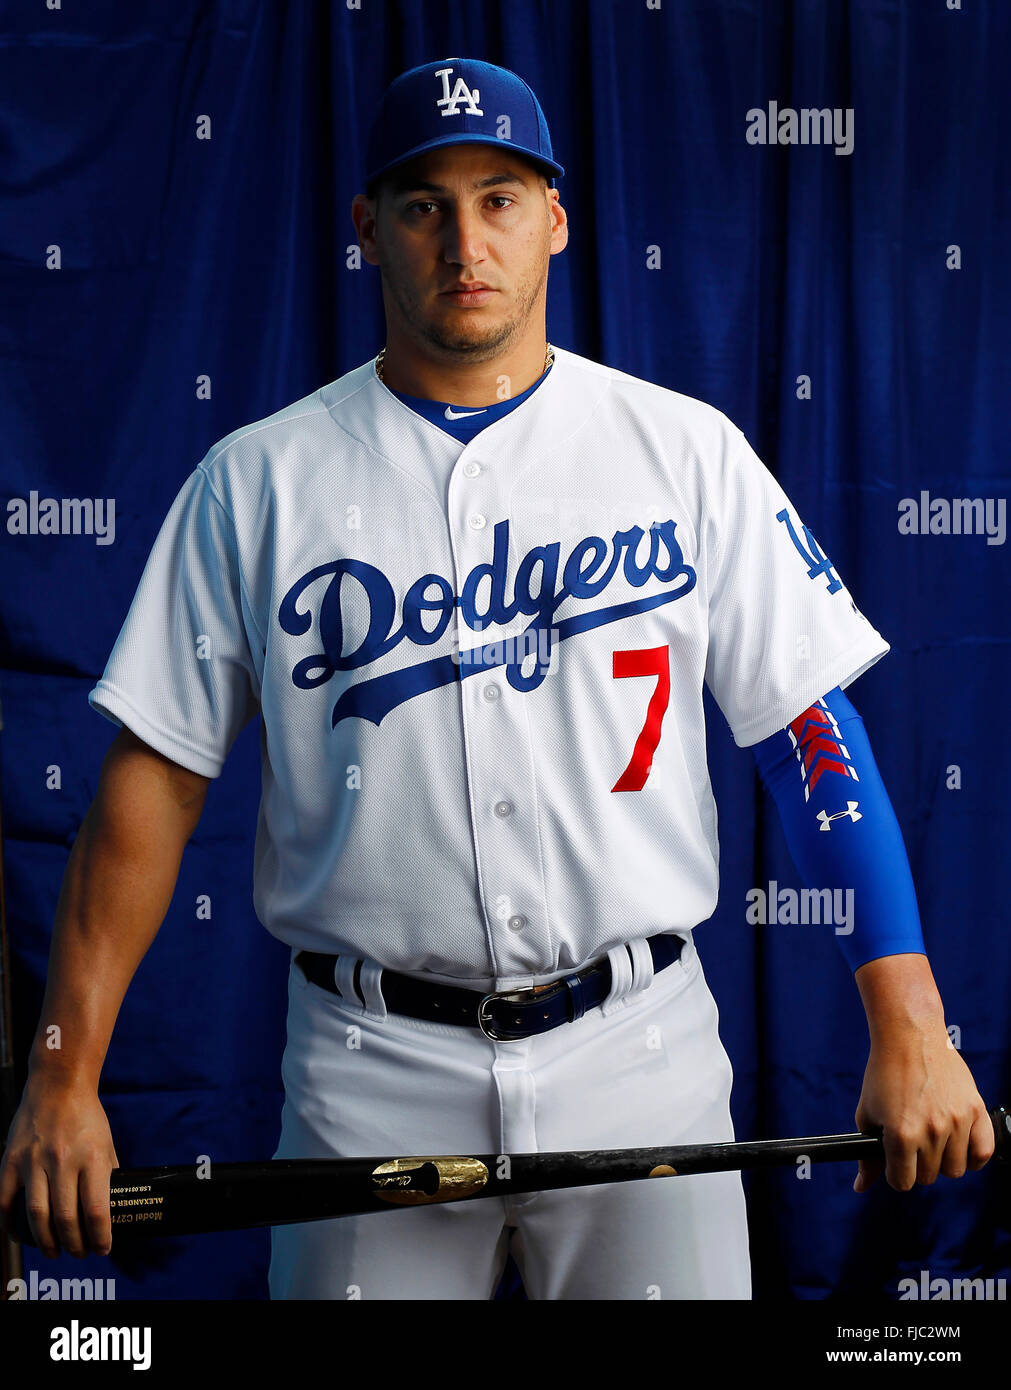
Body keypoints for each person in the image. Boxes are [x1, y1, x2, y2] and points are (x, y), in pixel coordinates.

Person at [0, 58, 993, 1300]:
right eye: (422, 203)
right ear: (367, 229)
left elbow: (809, 739)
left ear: (558, 220)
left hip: (640, 1048)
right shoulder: (256, 482)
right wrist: (62, 1067)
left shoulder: (683, 451)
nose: (464, 239)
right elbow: (154, 778)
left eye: (501, 197)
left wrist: (911, 1022)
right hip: (369, 1066)